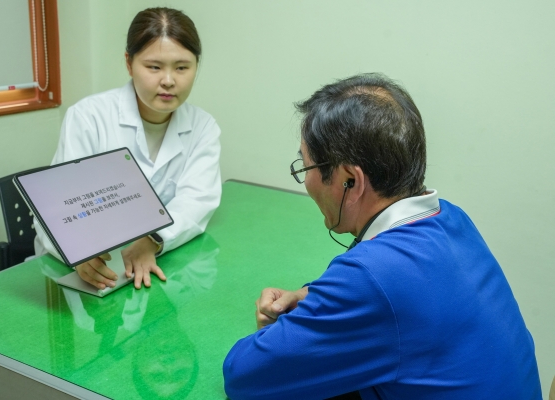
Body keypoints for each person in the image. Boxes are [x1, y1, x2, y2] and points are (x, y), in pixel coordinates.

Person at [223, 73, 541, 399]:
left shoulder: (374, 277)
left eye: (305, 169)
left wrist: (303, 321)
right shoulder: (450, 217)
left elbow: (244, 374)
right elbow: (405, 305)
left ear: (350, 180)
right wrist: (309, 297)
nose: (306, 182)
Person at [34, 7, 221, 290]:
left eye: (182, 67)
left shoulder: (202, 126)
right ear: (128, 63)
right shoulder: (89, 117)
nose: (168, 80)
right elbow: (57, 208)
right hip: (85, 269)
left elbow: (197, 201)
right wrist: (78, 254)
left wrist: (153, 240)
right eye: (154, 67)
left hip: (154, 265)